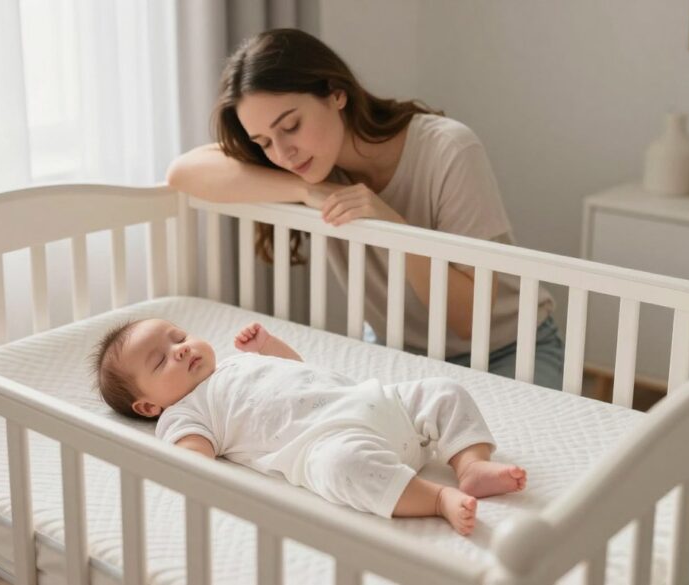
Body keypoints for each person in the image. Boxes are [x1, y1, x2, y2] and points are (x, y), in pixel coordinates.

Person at [166, 28, 565, 389]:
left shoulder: (448, 149)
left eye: (290, 126)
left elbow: (468, 320)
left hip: (507, 348)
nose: (283, 153)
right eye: (264, 142)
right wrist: (305, 190)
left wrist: (393, 225)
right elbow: (183, 172)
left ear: (337, 93)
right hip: (397, 349)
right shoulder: (310, 171)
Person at [91, 318, 527, 535]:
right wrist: (181, 456)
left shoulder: (237, 362)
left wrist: (268, 347)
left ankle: (470, 463)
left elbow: (298, 372)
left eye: (178, 338)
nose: (181, 351)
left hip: (374, 401)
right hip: (327, 440)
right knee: (343, 467)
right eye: (161, 359)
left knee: (443, 390)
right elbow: (193, 461)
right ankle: (436, 499)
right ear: (148, 406)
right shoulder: (183, 414)